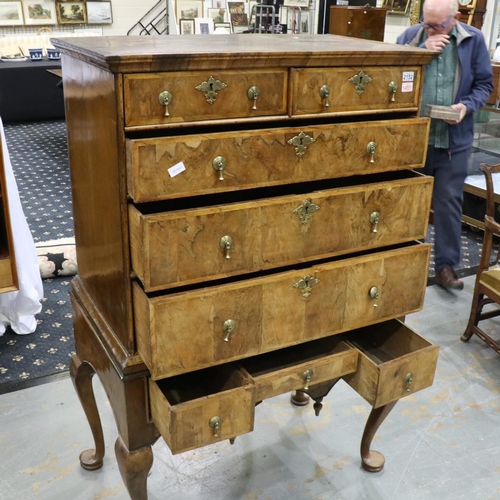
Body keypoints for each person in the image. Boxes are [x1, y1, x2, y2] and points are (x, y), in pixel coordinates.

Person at [397, 0, 493, 290]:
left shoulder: (472, 40)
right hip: (415, 139)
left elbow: (485, 86)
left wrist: (465, 107)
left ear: (454, 19)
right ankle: (401, 262)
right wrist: (418, 54)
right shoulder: (410, 38)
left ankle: (445, 267)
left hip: (454, 141)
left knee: (449, 203)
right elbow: (393, 78)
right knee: (407, 202)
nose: (431, 29)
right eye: (428, 23)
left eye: (437, 25)